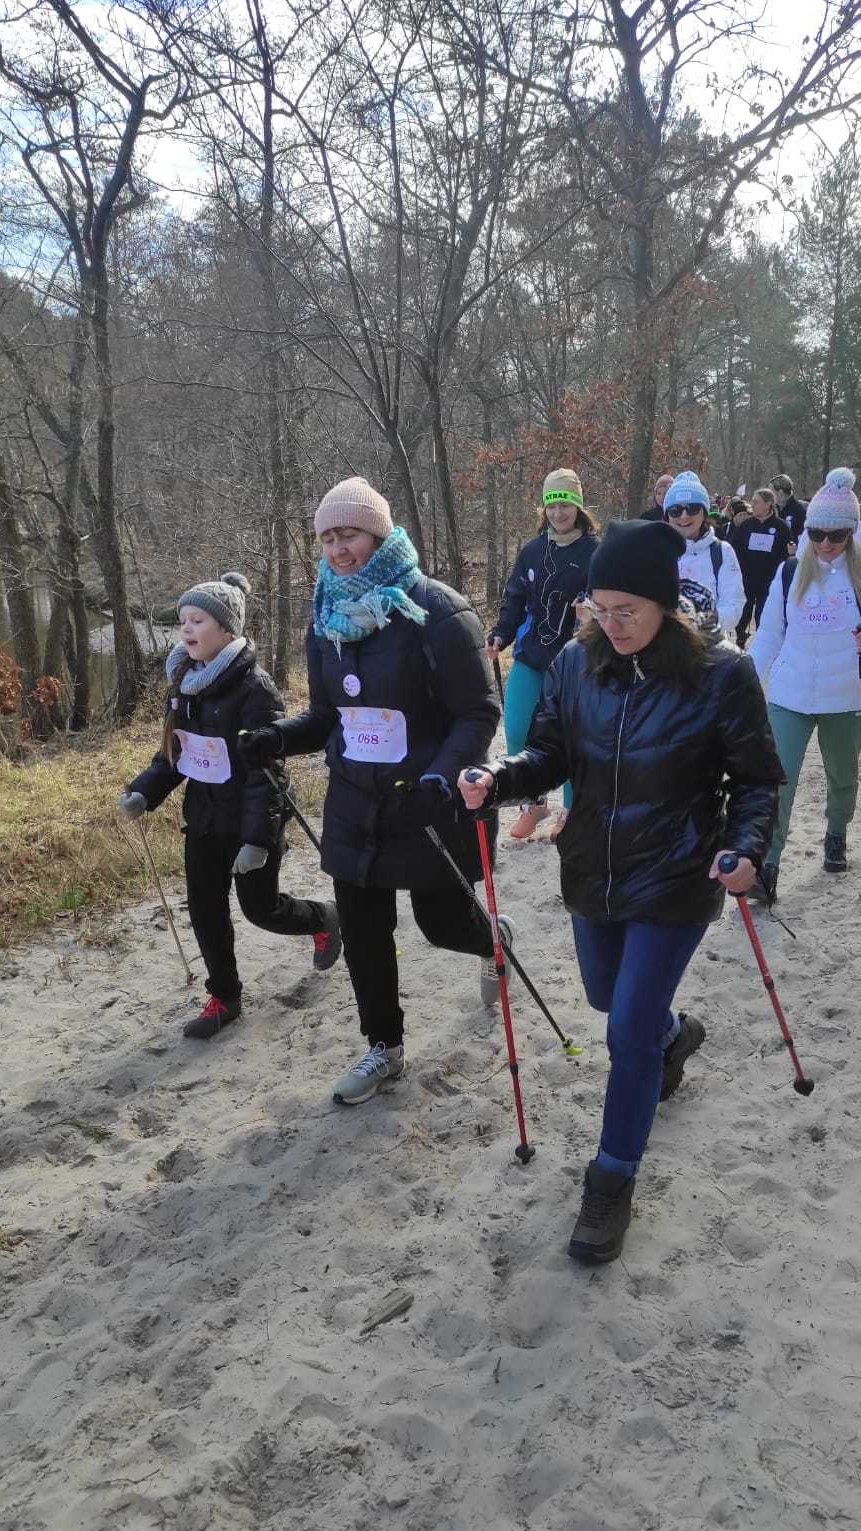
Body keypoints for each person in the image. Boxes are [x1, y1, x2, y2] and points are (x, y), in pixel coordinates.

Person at [458, 519, 783, 1265]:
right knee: (610, 999)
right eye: (598, 609)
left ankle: (611, 1180)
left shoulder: (720, 674)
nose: (610, 624)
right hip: (591, 870)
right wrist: (500, 779)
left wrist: (744, 847)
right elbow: (548, 752)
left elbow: (757, 780)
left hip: (676, 872)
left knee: (623, 1032)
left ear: (664, 604)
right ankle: (676, 1036)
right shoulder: (576, 665)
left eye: (625, 610)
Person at [237, 476, 504, 1103]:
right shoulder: (327, 615)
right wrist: (276, 738)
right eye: (328, 538)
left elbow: (478, 711)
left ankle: (494, 937)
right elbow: (329, 713)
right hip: (357, 801)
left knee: (441, 924)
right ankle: (383, 1046)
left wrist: (442, 774)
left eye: (349, 534)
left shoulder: (436, 610)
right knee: (363, 929)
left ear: (379, 534)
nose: (338, 549)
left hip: (427, 799)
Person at [119, 571, 342, 1040]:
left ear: (227, 629)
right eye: (182, 620)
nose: (186, 629)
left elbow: (270, 774)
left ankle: (323, 918)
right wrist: (145, 790)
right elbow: (176, 753)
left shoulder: (255, 689)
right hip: (202, 819)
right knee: (205, 910)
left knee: (261, 909)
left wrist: (258, 840)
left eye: (197, 619)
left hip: (249, 822)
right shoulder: (184, 682)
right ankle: (225, 996)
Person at [747, 468, 861, 901]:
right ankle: (768, 864)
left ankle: (836, 832)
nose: (827, 543)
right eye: (818, 533)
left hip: (846, 695)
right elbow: (770, 634)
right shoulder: (788, 572)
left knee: (843, 778)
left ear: (852, 534)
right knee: (779, 780)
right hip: (791, 694)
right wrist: (747, 678)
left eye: (837, 535)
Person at [487, 468, 600, 841]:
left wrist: (592, 612)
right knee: (518, 729)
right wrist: (501, 634)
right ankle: (533, 803)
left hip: (576, 659)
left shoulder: (596, 552)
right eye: (551, 504)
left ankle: (570, 811)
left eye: (564, 503)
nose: (558, 512)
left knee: (571, 736)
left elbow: (608, 602)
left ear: (577, 505)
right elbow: (516, 596)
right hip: (533, 653)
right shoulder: (534, 550)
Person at [663, 470, 746, 634]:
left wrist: (698, 626)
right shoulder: (655, 551)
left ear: (704, 513)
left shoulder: (722, 552)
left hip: (708, 648)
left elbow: (734, 604)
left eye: (692, 509)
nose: (684, 516)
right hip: (662, 649)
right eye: (675, 511)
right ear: (667, 516)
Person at [728, 486, 792, 648]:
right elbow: (734, 546)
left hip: (769, 579)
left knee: (763, 613)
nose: (753, 505)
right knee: (744, 610)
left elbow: (787, 550)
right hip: (747, 578)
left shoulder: (781, 527)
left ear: (768, 504)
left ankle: (761, 644)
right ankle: (740, 638)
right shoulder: (746, 524)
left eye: (756, 502)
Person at [771, 473, 808, 541]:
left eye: (771, 491)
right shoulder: (771, 509)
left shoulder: (799, 510)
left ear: (780, 492)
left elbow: (802, 536)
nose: (769, 495)